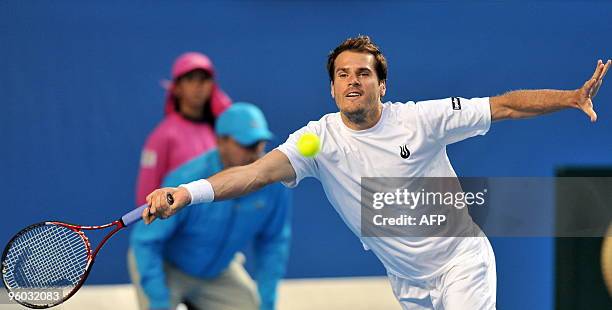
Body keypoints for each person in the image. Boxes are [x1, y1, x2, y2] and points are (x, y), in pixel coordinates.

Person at [142, 36, 610, 309]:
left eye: (363, 74)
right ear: (331, 88)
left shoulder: (421, 119)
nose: (352, 81)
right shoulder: (317, 141)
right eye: (343, 74)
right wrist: (187, 192)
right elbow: (254, 174)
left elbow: (504, 106)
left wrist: (569, 97)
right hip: (407, 281)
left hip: (462, 262)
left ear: (381, 85)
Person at [129, 102, 291, 310]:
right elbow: (145, 242)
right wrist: (158, 299)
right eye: (247, 144)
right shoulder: (187, 179)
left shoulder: (273, 185)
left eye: (260, 144)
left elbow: (273, 243)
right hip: (165, 267)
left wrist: (267, 303)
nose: (255, 153)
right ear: (220, 141)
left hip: (217, 273)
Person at [135, 52, 232, 206]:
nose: (198, 86)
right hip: (176, 224)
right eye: (190, 79)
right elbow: (145, 198)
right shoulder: (162, 136)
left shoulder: (219, 132)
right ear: (177, 87)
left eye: (203, 79)